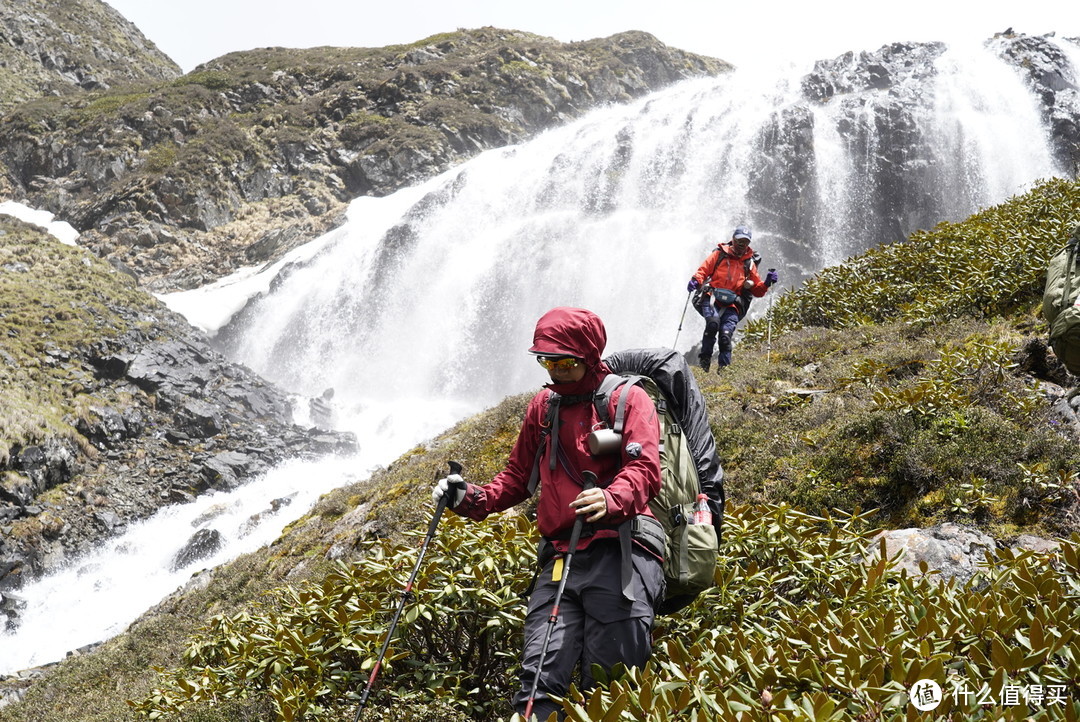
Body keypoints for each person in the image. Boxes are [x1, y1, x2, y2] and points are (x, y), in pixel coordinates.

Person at [432, 307, 664, 721]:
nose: (555, 370)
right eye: (546, 361)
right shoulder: (544, 406)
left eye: (565, 362)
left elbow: (644, 470)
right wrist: (467, 497)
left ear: (590, 355)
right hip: (560, 559)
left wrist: (610, 500)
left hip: (621, 554)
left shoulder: (629, 399)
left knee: (613, 685)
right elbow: (517, 479)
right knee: (538, 677)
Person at [686, 225, 779, 371]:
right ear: (733, 239)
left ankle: (724, 370)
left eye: (745, 242)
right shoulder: (719, 254)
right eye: (739, 241)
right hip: (712, 297)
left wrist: (767, 282)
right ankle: (704, 361)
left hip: (733, 304)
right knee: (712, 324)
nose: (742, 245)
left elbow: (758, 291)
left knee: (725, 335)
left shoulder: (749, 263)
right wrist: (695, 280)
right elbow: (703, 270)